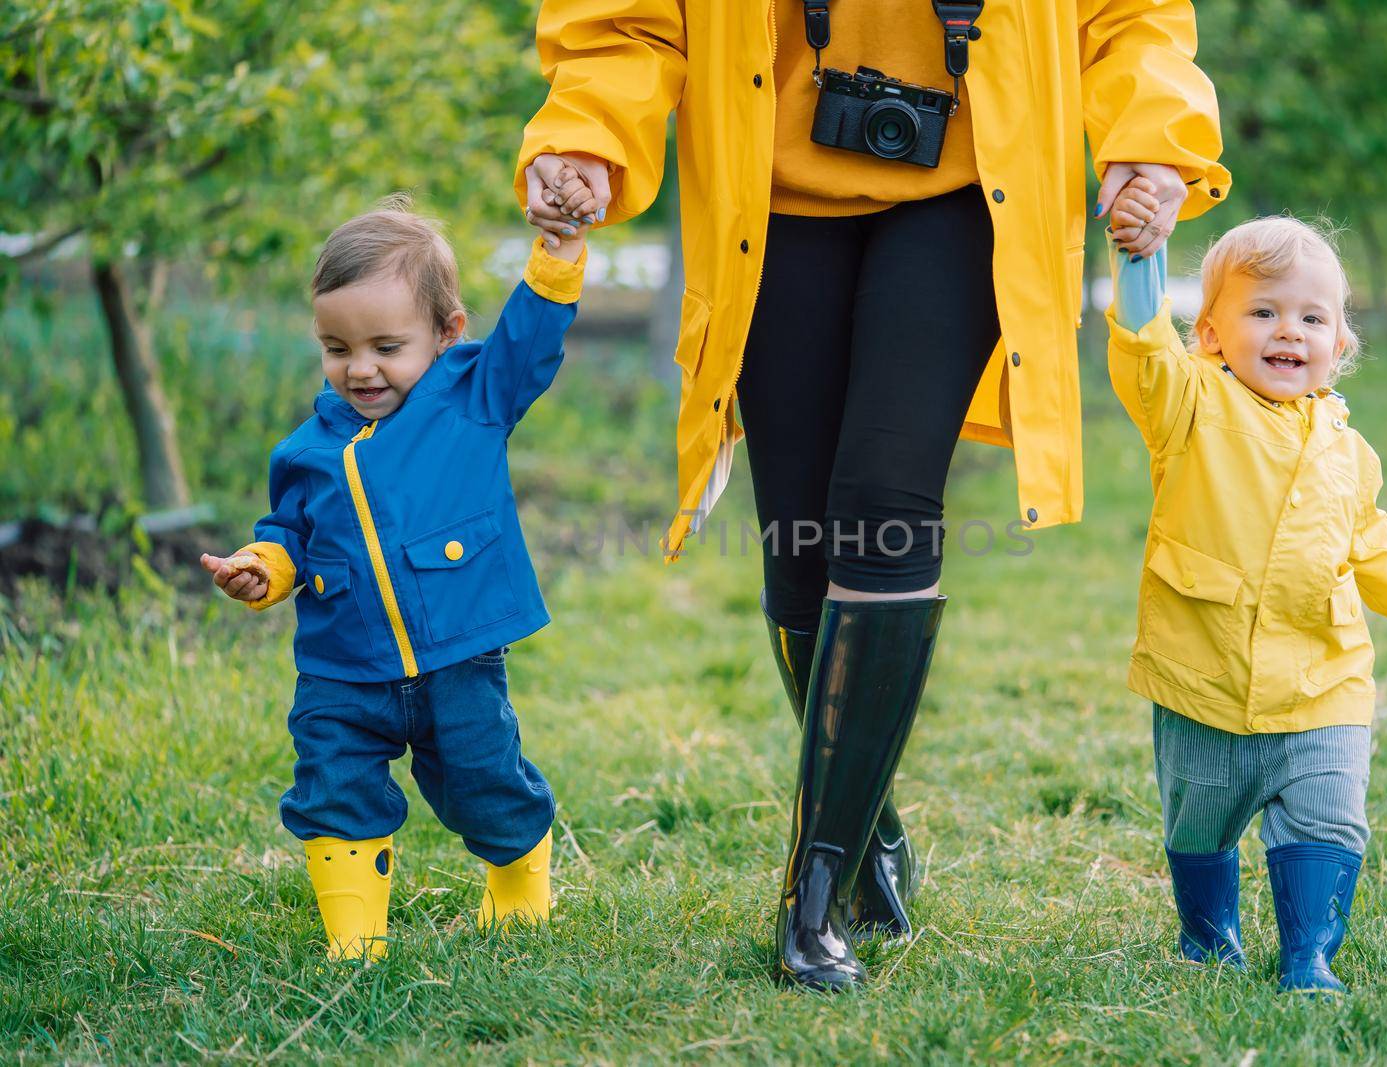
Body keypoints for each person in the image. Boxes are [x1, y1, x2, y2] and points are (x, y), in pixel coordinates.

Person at [517, 0, 1231, 989]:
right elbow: (627, 23)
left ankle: (813, 896)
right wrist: (588, 135)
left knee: (882, 505)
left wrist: (1151, 142)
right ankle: (867, 823)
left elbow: (1129, 19)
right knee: (799, 549)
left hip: (965, 193)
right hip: (766, 200)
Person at [1103, 187, 1387, 994]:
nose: (1289, 330)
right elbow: (1143, 350)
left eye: (1312, 319)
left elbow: (1372, 546)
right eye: (1263, 312)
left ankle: (1307, 958)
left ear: (1340, 343)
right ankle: (1208, 937)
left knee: (1328, 812)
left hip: (1324, 674)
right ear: (1210, 334)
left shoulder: (1350, 452)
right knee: (1200, 819)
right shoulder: (1190, 405)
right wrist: (1140, 256)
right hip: (1204, 672)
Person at [198, 188, 593, 960]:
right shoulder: (308, 448)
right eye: (338, 348)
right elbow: (288, 532)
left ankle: (517, 894)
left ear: (446, 334)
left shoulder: (472, 398)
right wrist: (264, 566)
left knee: (485, 782)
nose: (361, 368)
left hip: (457, 656)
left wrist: (559, 253)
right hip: (343, 668)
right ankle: (356, 944)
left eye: (386, 345)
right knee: (331, 782)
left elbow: (530, 339)